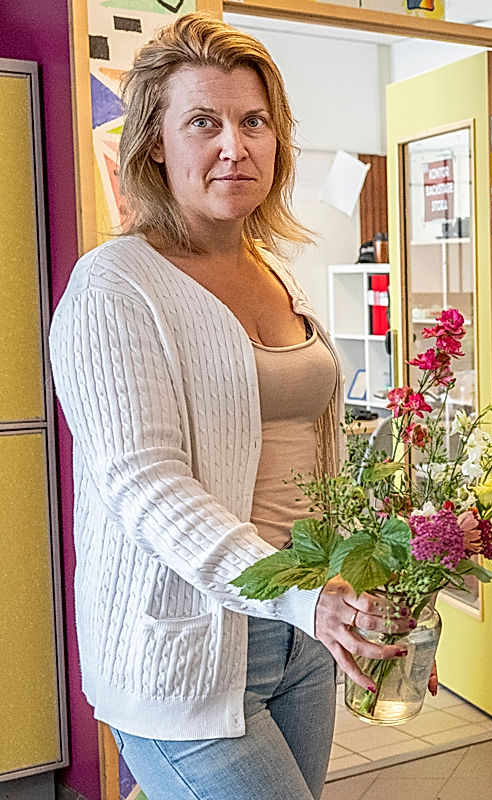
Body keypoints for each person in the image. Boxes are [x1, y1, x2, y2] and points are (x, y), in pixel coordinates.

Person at [49, 14, 419, 800]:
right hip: (184, 645)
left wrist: (366, 556)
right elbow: (147, 485)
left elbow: (310, 447)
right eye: (203, 123)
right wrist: (298, 590)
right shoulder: (115, 287)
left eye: (254, 122)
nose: (234, 145)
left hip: (305, 637)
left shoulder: (274, 272)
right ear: (154, 142)